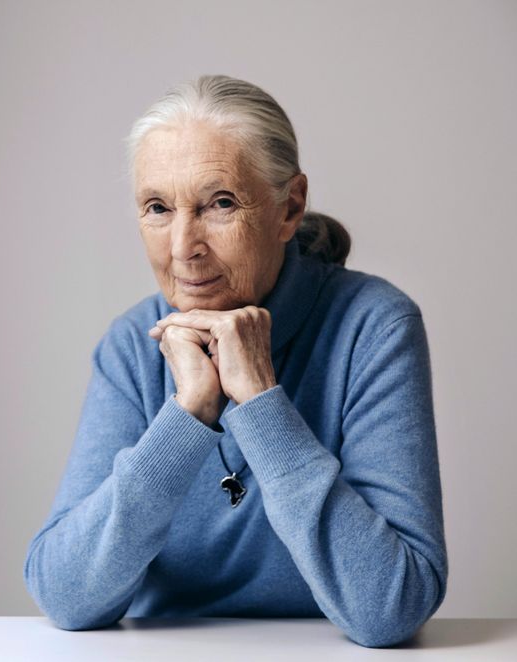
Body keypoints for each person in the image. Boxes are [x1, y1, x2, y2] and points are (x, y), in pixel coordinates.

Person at [22, 75, 447, 648]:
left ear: (289, 207)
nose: (182, 246)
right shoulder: (131, 344)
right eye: (157, 208)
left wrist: (262, 404)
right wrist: (188, 413)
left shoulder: (374, 327)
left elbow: (391, 609)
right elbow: (66, 596)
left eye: (219, 203)